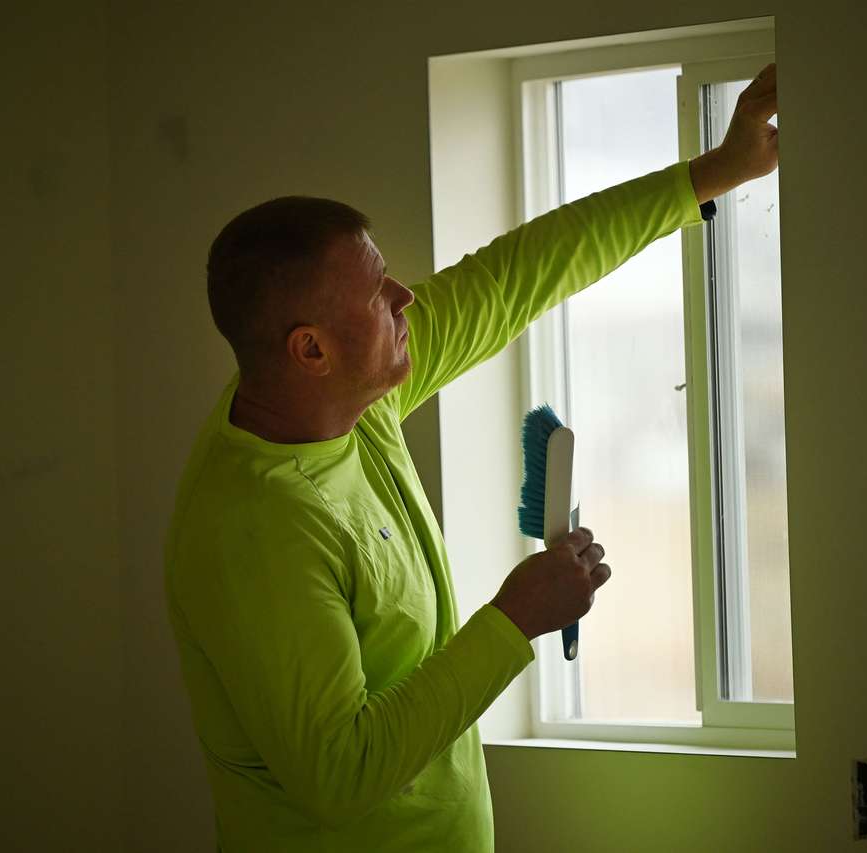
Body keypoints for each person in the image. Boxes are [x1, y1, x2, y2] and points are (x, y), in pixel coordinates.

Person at [164, 64, 778, 852]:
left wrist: (717, 170)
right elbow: (340, 772)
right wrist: (515, 619)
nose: (406, 300)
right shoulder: (254, 529)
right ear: (309, 348)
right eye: (378, 293)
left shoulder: (357, 403)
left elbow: (523, 270)